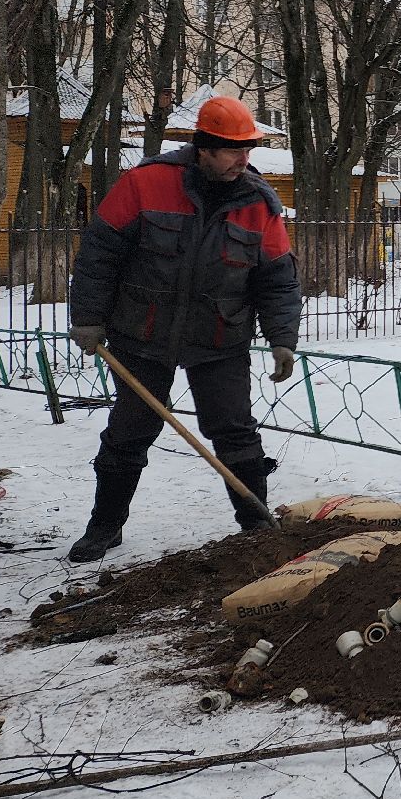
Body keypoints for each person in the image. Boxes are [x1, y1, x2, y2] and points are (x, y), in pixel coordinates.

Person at [64, 93, 300, 563]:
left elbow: (277, 279)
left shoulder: (259, 204)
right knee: (129, 430)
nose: (243, 160)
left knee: (234, 430)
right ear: (204, 148)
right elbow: (99, 255)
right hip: (143, 333)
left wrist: (282, 340)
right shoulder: (144, 183)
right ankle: (104, 525)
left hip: (220, 336)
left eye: (248, 149)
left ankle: (256, 526)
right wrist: (87, 318)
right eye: (232, 150)